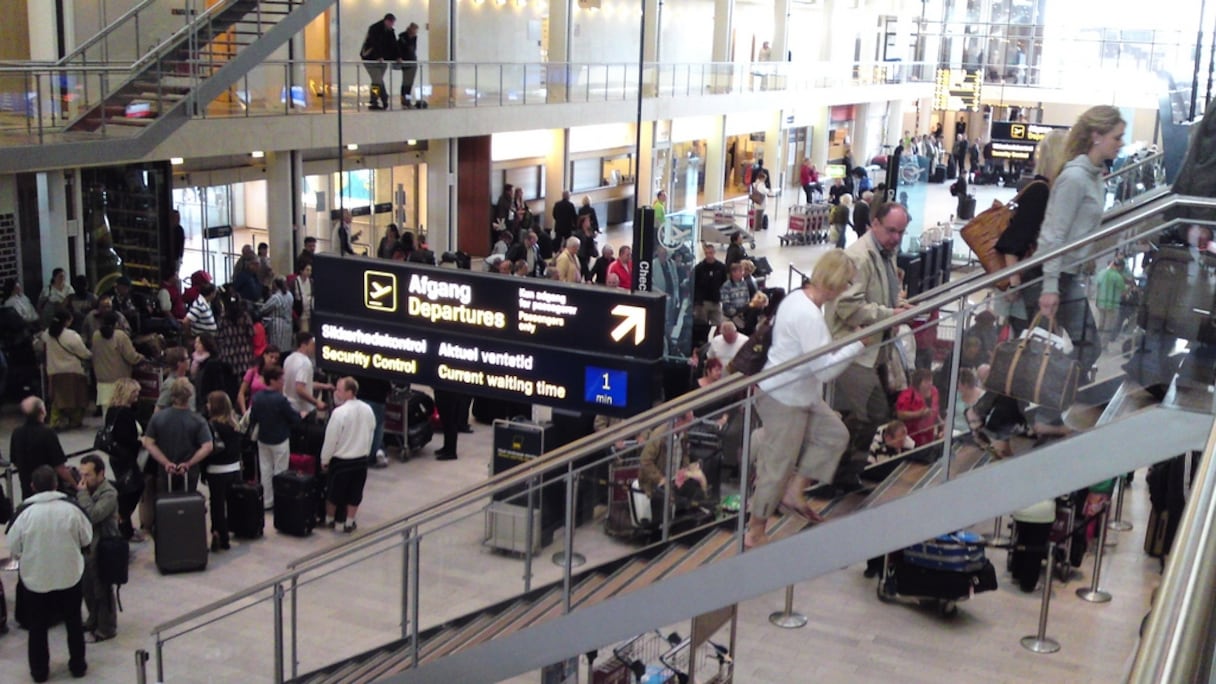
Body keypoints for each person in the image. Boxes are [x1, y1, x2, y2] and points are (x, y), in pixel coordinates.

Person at [746, 250, 867, 549]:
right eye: (847, 282)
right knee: (778, 466)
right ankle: (755, 530)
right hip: (784, 398)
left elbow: (817, 357)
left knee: (833, 434)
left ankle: (793, 490)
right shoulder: (808, 315)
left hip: (798, 394)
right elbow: (825, 370)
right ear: (836, 280)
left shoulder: (798, 299)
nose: (847, 288)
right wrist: (857, 345)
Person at [1036, 105, 1125, 382]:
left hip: (1068, 273)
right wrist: (1050, 287)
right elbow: (1054, 235)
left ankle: (1045, 411)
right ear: (1097, 136)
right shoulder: (1075, 178)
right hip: (1057, 275)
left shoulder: (1094, 176)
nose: (1120, 144)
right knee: (1084, 346)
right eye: (1116, 137)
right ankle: (1048, 412)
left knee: (1050, 346)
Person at [829, 203, 913, 462]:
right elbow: (847, 304)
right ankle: (838, 471)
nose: (896, 238)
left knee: (872, 414)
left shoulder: (887, 252)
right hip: (855, 352)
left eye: (901, 232)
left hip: (875, 351)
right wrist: (890, 315)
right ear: (874, 223)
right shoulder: (859, 257)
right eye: (891, 231)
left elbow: (880, 294)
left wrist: (897, 304)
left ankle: (845, 473)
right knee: (874, 413)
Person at [7, 465, 93, 682]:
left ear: (32, 486)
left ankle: (39, 672)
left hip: (36, 579)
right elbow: (86, 538)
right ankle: (78, 666)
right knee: (73, 621)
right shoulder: (71, 509)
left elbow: (14, 548)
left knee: (37, 627)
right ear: (56, 484)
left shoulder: (24, 513)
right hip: (69, 575)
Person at [996, 130, 1068, 334]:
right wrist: (1014, 285)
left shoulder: (1045, 190)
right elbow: (1013, 241)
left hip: (1029, 283)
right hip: (1026, 286)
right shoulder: (1040, 192)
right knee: (1035, 343)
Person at [74, 453, 120, 643]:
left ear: (101, 473)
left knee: (102, 588)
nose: (84, 480)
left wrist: (82, 495)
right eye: (82, 475)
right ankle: (93, 619)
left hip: (103, 547)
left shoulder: (109, 493)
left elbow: (93, 514)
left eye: (88, 475)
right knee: (87, 587)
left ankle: (106, 627)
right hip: (86, 547)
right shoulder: (86, 490)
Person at [320, 377, 376, 532]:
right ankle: (349, 522)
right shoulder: (368, 409)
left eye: (339, 390)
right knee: (355, 493)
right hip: (361, 459)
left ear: (349, 392)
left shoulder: (339, 413)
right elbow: (371, 432)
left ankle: (330, 520)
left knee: (334, 493)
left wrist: (325, 459)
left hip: (341, 461)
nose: (336, 393)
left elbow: (331, 439)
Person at [144, 378, 214, 494]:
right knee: (187, 504)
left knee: (166, 504)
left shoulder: (158, 418)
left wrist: (166, 462)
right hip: (189, 471)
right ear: (190, 396)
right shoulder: (198, 420)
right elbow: (208, 446)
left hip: (165, 471)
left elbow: (149, 443)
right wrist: (189, 463)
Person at [248, 366, 301, 508]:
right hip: (280, 440)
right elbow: (294, 418)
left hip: (263, 439)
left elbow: (253, 418)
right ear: (272, 381)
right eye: (280, 379)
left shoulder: (257, 398)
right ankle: (280, 500)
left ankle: (267, 501)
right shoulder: (281, 400)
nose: (283, 382)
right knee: (280, 471)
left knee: (265, 470)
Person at [103, 378, 146, 542]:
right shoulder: (125, 413)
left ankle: (125, 524)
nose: (137, 395)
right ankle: (123, 520)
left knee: (128, 487)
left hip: (116, 457)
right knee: (133, 487)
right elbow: (126, 438)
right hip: (126, 457)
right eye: (135, 392)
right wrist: (140, 442)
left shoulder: (112, 411)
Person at [36, 309, 91, 429]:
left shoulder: (47, 334)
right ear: (67, 321)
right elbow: (84, 353)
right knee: (77, 398)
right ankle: (75, 421)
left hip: (54, 372)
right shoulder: (72, 336)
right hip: (73, 371)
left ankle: (55, 421)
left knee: (57, 400)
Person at [10, 396, 74, 499]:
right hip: (51, 492)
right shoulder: (47, 433)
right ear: (42, 411)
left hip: (27, 491)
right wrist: (75, 484)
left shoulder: (17, 433)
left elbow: (15, 460)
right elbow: (59, 466)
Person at [205, 391, 243, 552]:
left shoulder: (210, 426)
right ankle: (234, 528)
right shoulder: (235, 425)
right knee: (231, 501)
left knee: (217, 505)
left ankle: (220, 535)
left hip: (216, 470)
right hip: (234, 468)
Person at [91, 312, 145, 412]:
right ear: (116, 323)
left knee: (106, 411)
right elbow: (131, 357)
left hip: (102, 380)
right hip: (119, 381)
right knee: (120, 411)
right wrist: (141, 358)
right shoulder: (120, 336)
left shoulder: (96, 335)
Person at [283, 332, 332, 416]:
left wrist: (324, 386)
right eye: (312, 345)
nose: (314, 348)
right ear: (303, 345)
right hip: (300, 410)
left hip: (287, 406)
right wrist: (317, 402)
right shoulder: (305, 363)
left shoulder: (289, 359)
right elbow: (300, 389)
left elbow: (303, 383)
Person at [894, 368, 941, 447]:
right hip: (912, 437)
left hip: (929, 435)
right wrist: (919, 414)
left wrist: (942, 425)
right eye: (926, 381)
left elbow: (936, 410)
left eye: (930, 380)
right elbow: (900, 414)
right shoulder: (907, 395)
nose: (929, 384)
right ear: (918, 383)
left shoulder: (934, 391)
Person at [360, 13, 398, 110]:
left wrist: (398, 56)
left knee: (376, 82)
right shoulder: (374, 29)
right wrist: (378, 56)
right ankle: (383, 98)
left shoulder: (390, 31)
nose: (392, 25)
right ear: (386, 21)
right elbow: (374, 43)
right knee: (377, 80)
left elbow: (393, 44)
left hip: (382, 60)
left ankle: (374, 101)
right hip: (370, 59)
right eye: (391, 23)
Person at [1095, 258, 1129, 350]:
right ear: (1120, 267)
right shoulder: (1118, 277)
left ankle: (1096, 342)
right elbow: (1123, 291)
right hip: (1112, 305)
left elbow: (1097, 286)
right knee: (1108, 326)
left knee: (1101, 324)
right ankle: (1103, 345)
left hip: (1100, 303)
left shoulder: (1101, 273)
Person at [239, 345, 281, 414]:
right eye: (271, 357)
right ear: (264, 355)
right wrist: (244, 412)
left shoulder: (278, 375)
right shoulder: (253, 371)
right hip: (253, 410)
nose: (273, 360)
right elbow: (241, 393)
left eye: (276, 358)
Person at [693, 244, 727, 325]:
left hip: (716, 301)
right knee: (702, 326)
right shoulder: (699, 268)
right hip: (703, 303)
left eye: (710, 253)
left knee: (718, 324)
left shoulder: (721, 267)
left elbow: (724, 283)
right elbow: (695, 285)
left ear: (714, 253)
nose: (709, 255)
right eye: (707, 253)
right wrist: (697, 302)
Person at [261, 276, 294, 354]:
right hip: (288, 325)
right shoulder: (290, 295)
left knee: (277, 350)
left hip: (278, 327)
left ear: (275, 285)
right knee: (286, 350)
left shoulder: (276, 297)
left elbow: (264, 309)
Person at [395, 22, 420, 108]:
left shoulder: (414, 38)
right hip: (406, 63)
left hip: (412, 62)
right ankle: (404, 100)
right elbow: (400, 49)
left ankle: (407, 100)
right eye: (414, 31)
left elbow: (413, 50)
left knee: (409, 83)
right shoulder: (403, 38)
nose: (415, 33)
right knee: (406, 83)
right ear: (411, 29)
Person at [719, 262, 751, 328]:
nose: (743, 273)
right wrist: (736, 313)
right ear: (733, 273)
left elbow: (747, 298)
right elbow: (726, 304)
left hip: (743, 316)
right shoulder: (726, 286)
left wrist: (745, 310)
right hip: (730, 318)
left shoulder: (744, 283)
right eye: (741, 271)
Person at [291, 262, 314, 333]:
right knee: (304, 331)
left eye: (310, 270)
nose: (309, 272)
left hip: (309, 311)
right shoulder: (295, 282)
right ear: (301, 271)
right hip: (300, 313)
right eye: (307, 270)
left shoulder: (311, 281)